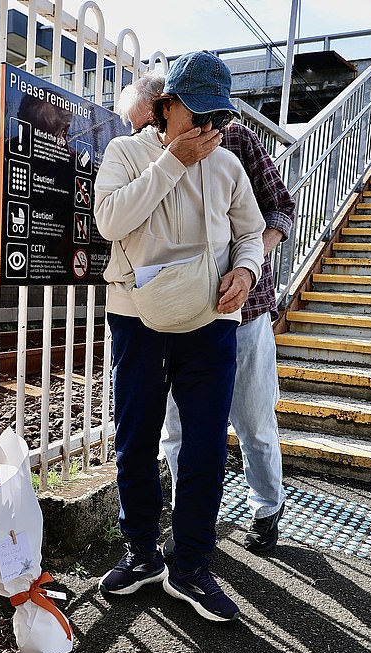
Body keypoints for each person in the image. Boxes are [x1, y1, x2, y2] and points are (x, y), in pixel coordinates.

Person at [94, 51, 265, 622]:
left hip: (212, 316)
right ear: (166, 108)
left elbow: (251, 231)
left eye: (219, 117)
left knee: (208, 444)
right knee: (136, 436)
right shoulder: (126, 152)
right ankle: (141, 552)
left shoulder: (229, 166)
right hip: (136, 314)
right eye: (199, 114)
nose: (210, 129)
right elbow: (110, 220)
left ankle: (191, 565)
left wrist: (246, 271)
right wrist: (172, 161)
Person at [122, 74, 295, 555]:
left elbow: (280, 207)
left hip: (246, 310)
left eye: (145, 124)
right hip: (184, 317)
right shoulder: (145, 153)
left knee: (254, 420)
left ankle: (267, 507)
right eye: (137, 129)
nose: (145, 137)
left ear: (168, 106)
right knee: (176, 428)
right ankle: (189, 516)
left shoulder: (235, 138)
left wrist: (246, 270)